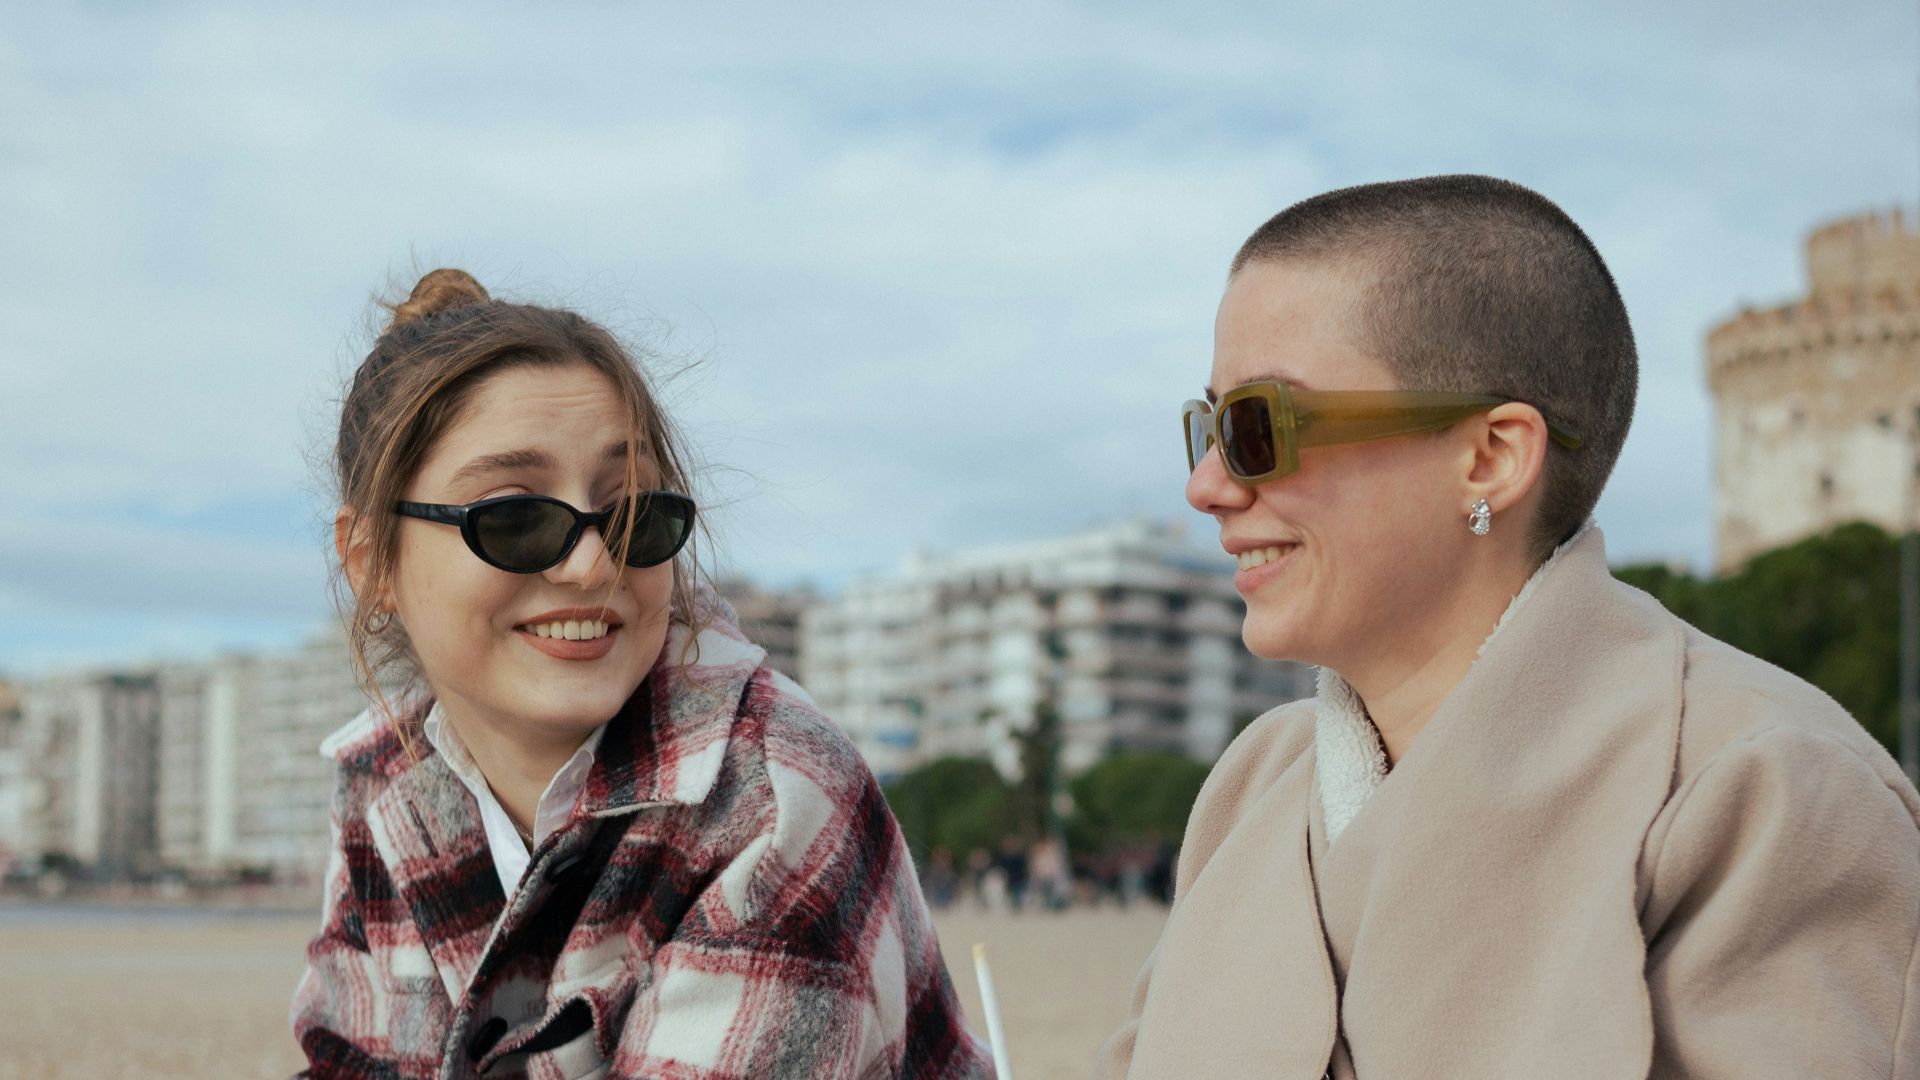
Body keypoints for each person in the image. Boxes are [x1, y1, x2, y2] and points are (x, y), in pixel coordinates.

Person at [1097, 176, 1920, 1078]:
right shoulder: (1256, 784)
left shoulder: (1761, 789)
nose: (1208, 487)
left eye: (1259, 427)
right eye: (1209, 429)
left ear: (1490, 457)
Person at [291, 270, 992, 1079]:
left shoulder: (770, 799)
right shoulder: (383, 775)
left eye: (632, 512)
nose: (593, 565)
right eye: (515, 516)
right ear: (371, 561)